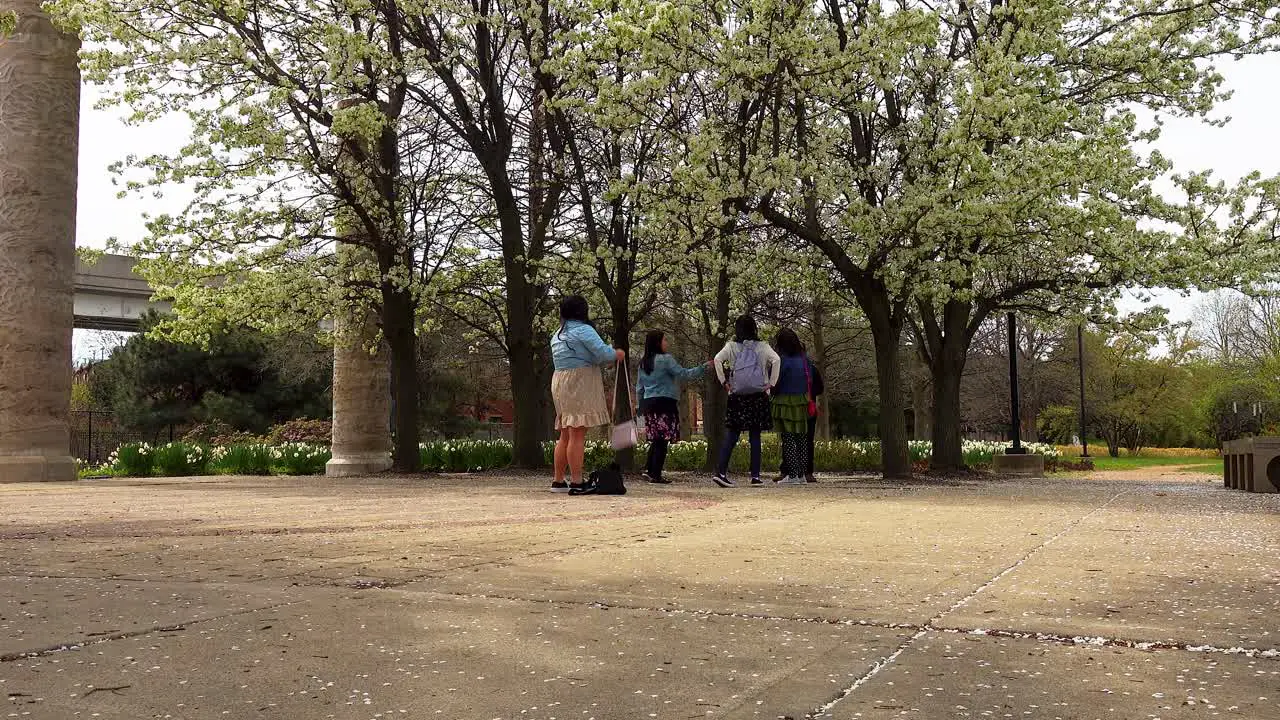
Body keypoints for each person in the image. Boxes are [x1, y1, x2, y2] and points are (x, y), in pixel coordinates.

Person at [550, 295, 625, 493]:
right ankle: (576, 481)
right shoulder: (583, 330)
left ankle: (558, 480)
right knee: (577, 432)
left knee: (565, 433)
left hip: (559, 380)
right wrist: (616, 353)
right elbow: (602, 354)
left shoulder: (558, 333)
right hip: (579, 381)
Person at [712, 315, 780, 487]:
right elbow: (777, 360)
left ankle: (721, 472)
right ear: (754, 328)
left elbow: (717, 359)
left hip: (737, 396)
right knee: (755, 436)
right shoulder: (763, 347)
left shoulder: (732, 346)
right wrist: (770, 384)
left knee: (732, 434)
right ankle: (755, 476)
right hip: (758, 396)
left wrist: (724, 382)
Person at [635, 330, 710, 484]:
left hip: (649, 404)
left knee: (656, 439)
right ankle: (656, 474)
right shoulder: (666, 360)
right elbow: (684, 374)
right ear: (658, 342)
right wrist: (704, 367)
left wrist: (640, 406)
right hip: (665, 403)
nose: (666, 343)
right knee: (662, 439)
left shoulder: (643, 363)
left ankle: (649, 470)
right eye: (664, 340)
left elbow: (639, 388)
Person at [771, 328, 817, 485]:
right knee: (802, 438)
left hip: (785, 401)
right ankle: (802, 475)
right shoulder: (805, 361)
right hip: (802, 401)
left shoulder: (782, 361)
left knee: (788, 438)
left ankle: (792, 476)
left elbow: (775, 382)